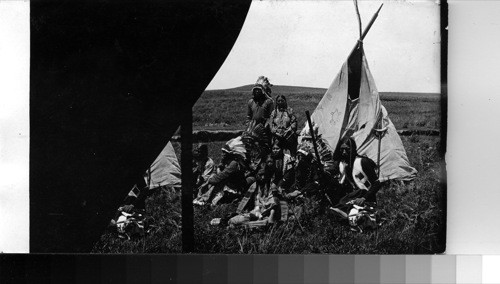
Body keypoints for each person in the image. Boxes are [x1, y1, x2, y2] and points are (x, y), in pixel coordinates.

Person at [330, 137, 382, 219]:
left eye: (346, 149)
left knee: (354, 217)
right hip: (352, 197)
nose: (344, 152)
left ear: (352, 149)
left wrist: (364, 198)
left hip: (366, 198)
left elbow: (377, 183)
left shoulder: (363, 162)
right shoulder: (343, 165)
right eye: (342, 149)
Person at [204, 137, 248, 206]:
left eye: (225, 153)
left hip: (234, 187)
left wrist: (209, 180)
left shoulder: (234, 163)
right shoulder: (226, 161)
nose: (223, 154)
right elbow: (218, 170)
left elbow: (222, 175)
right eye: (223, 152)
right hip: (226, 183)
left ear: (231, 154)